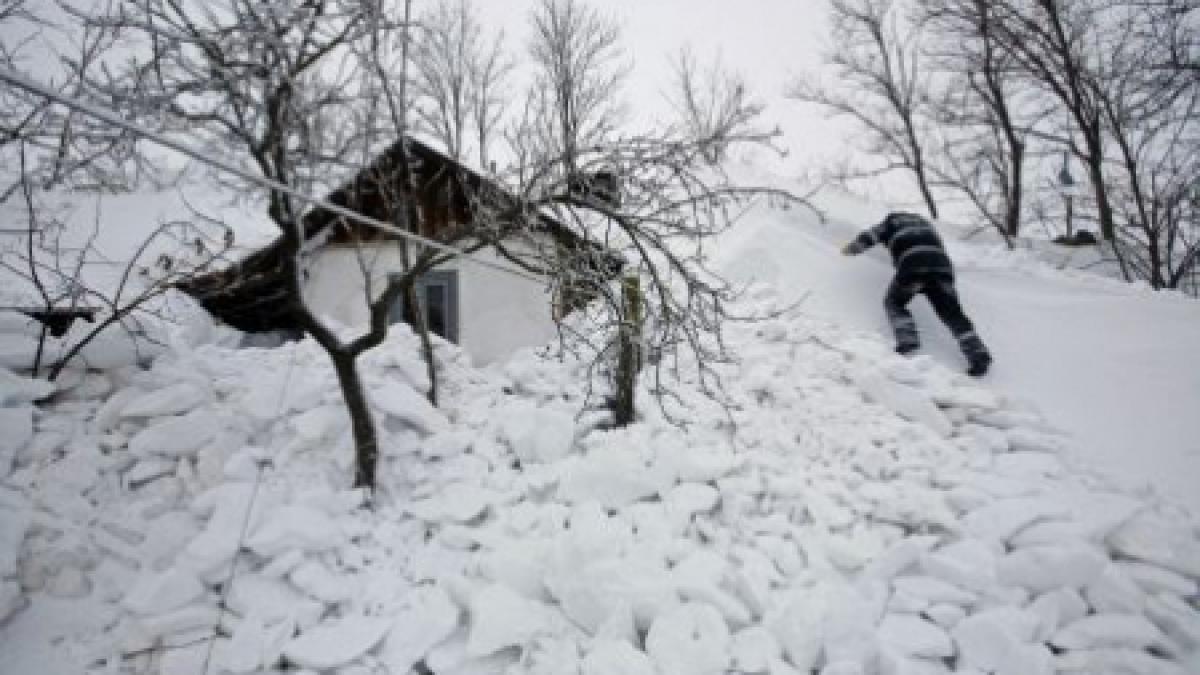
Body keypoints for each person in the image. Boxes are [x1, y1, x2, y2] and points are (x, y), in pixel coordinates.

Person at [842, 212, 992, 376]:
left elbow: (869, 237)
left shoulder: (891, 222)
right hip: (942, 269)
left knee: (894, 302)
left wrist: (850, 249)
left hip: (913, 266)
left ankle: (908, 340)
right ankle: (978, 354)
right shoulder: (926, 225)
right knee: (953, 314)